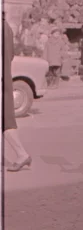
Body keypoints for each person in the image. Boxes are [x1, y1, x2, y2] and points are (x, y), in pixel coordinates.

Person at [3, 16, 32, 172]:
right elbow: (11, 55)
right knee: (5, 120)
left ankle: (22, 154)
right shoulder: (6, 26)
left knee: (5, 120)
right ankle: (22, 155)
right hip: (4, 77)